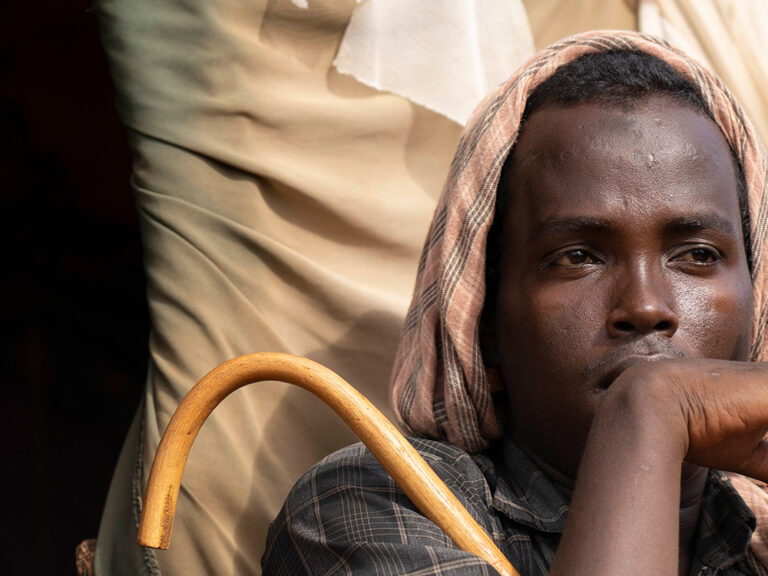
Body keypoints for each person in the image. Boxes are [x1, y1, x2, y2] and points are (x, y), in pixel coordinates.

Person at [261, 31, 768, 576]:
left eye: (696, 254)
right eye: (577, 257)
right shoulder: (367, 508)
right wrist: (651, 406)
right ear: (485, 331)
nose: (645, 306)